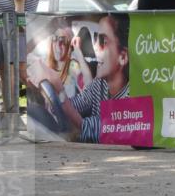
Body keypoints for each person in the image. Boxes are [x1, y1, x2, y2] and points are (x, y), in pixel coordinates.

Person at [39, 14, 130, 144]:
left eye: (103, 41)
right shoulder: (100, 84)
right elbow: (75, 105)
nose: (96, 48)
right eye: (95, 40)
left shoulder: (131, 97)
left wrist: (58, 90)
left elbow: (87, 127)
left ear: (122, 57)